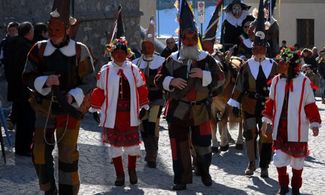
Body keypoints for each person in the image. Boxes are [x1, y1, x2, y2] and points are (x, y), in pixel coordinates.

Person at [22, 0, 96, 193]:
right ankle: (48, 189)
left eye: (58, 28)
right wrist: (46, 81)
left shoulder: (80, 50)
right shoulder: (38, 49)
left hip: (69, 111)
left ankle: (68, 191)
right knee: (39, 152)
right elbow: (27, 75)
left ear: (66, 28)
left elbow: (89, 80)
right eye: (51, 28)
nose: (53, 32)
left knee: (67, 154)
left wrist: (73, 96)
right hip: (44, 108)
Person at [155, 1, 225, 190]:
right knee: (179, 146)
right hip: (178, 110)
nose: (190, 41)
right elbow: (158, 78)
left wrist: (205, 75)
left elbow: (221, 79)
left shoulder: (206, 59)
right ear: (181, 39)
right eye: (186, 38)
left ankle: (204, 172)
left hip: (200, 109)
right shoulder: (172, 59)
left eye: (193, 38)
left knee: (203, 146)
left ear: (197, 38)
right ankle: (181, 179)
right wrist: (170, 81)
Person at [227, 0, 278, 178]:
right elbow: (239, 84)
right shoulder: (246, 65)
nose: (258, 51)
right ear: (252, 49)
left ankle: (264, 166)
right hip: (248, 104)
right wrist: (234, 103)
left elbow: (278, 87)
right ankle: (251, 163)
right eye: (256, 48)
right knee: (250, 134)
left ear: (266, 48)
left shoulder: (273, 66)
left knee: (265, 136)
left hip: (267, 106)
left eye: (261, 48)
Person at [261, 48, 321, 195]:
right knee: (279, 158)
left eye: (283, 63)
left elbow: (310, 104)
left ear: (291, 65)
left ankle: (295, 188)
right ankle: (283, 186)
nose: (279, 65)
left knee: (298, 162)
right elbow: (271, 102)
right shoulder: (276, 81)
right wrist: (266, 121)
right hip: (280, 128)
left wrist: (314, 123)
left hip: (297, 128)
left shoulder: (304, 81)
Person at [91, 37, 149, 186]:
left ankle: (132, 170)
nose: (119, 55)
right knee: (115, 145)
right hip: (113, 114)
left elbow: (141, 88)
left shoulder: (133, 69)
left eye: (122, 52)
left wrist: (144, 107)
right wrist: (96, 109)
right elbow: (99, 90)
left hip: (130, 113)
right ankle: (120, 175)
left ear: (127, 54)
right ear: (112, 54)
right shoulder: (106, 70)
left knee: (132, 144)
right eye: (116, 52)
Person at [132, 18, 165, 168]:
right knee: (143, 126)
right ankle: (148, 150)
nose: (147, 48)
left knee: (152, 123)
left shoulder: (162, 61)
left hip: (156, 98)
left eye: (150, 46)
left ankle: (153, 154)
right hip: (142, 100)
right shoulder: (136, 63)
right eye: (145, 46)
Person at [4, 21, 35, 156]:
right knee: (27, 120)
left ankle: (20, 147)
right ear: (28, 32)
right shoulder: (27, 47)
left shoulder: (10, 43)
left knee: (21, 119)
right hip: (25, 89)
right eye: (32, 30)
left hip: (14, 87)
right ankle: (24, 148)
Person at [0, 21, 19, 129]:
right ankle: (11, 118)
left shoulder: (20, 41)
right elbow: (2, 56)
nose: (12, 32)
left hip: (18, 74)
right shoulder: (4, 42)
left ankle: (12, 118)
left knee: (16, 97)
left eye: (14, 30)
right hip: (8, 73)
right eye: (10, 30)